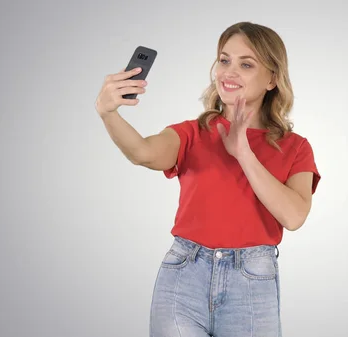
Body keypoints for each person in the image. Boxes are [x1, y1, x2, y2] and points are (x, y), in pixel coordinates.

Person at [94, 22, 321, 337]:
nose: (229, 71)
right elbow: (143, 153)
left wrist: (243, 152)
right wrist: (109, 114)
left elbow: (294, 216)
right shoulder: (192, 132)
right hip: (184, 276)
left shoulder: (295, 147)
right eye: (224, 60)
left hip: (252, 285)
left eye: (246, 64)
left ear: (272, 78)